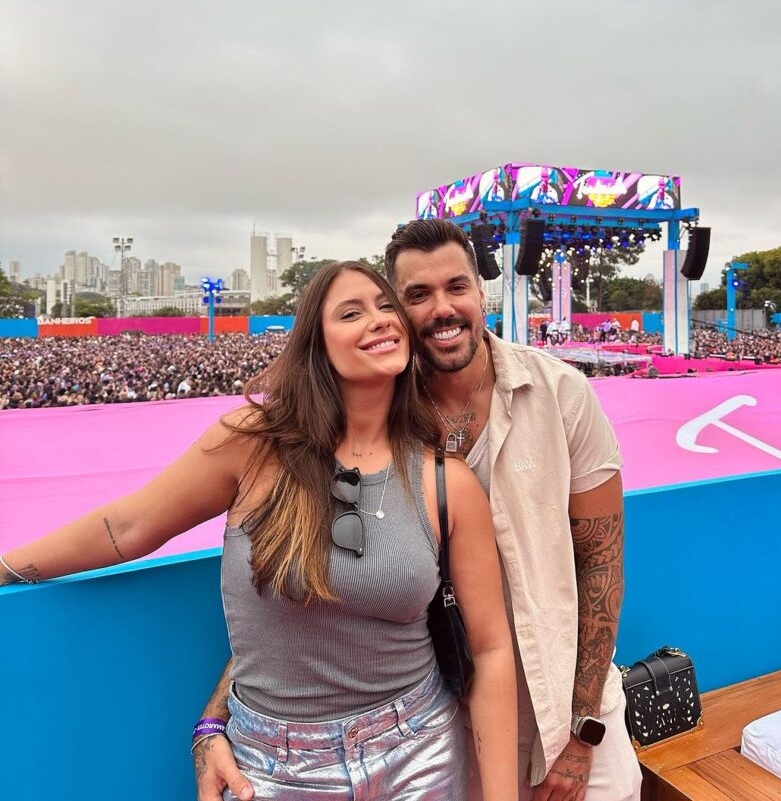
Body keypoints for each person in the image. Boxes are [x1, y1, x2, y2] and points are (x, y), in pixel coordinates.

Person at [0, 260, 517, 801]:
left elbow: (490, 651)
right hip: (270, 767)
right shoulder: (252, 445)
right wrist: (8, 567)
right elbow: (128, 526)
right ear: (315, 344)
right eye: (351, 312)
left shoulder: (446, 481)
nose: (380, 319)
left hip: (420, 754)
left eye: (387, 307)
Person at [197, 225, 642, 801]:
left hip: (567, 706)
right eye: (416, 295)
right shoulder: (362, 432)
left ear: (482, 292)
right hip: (448, 721)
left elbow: (601, 566)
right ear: (397, 313)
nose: (443, 308)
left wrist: (582, 731)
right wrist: (214, 719)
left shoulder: (563, 394)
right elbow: (307, 589)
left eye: (457, 286)